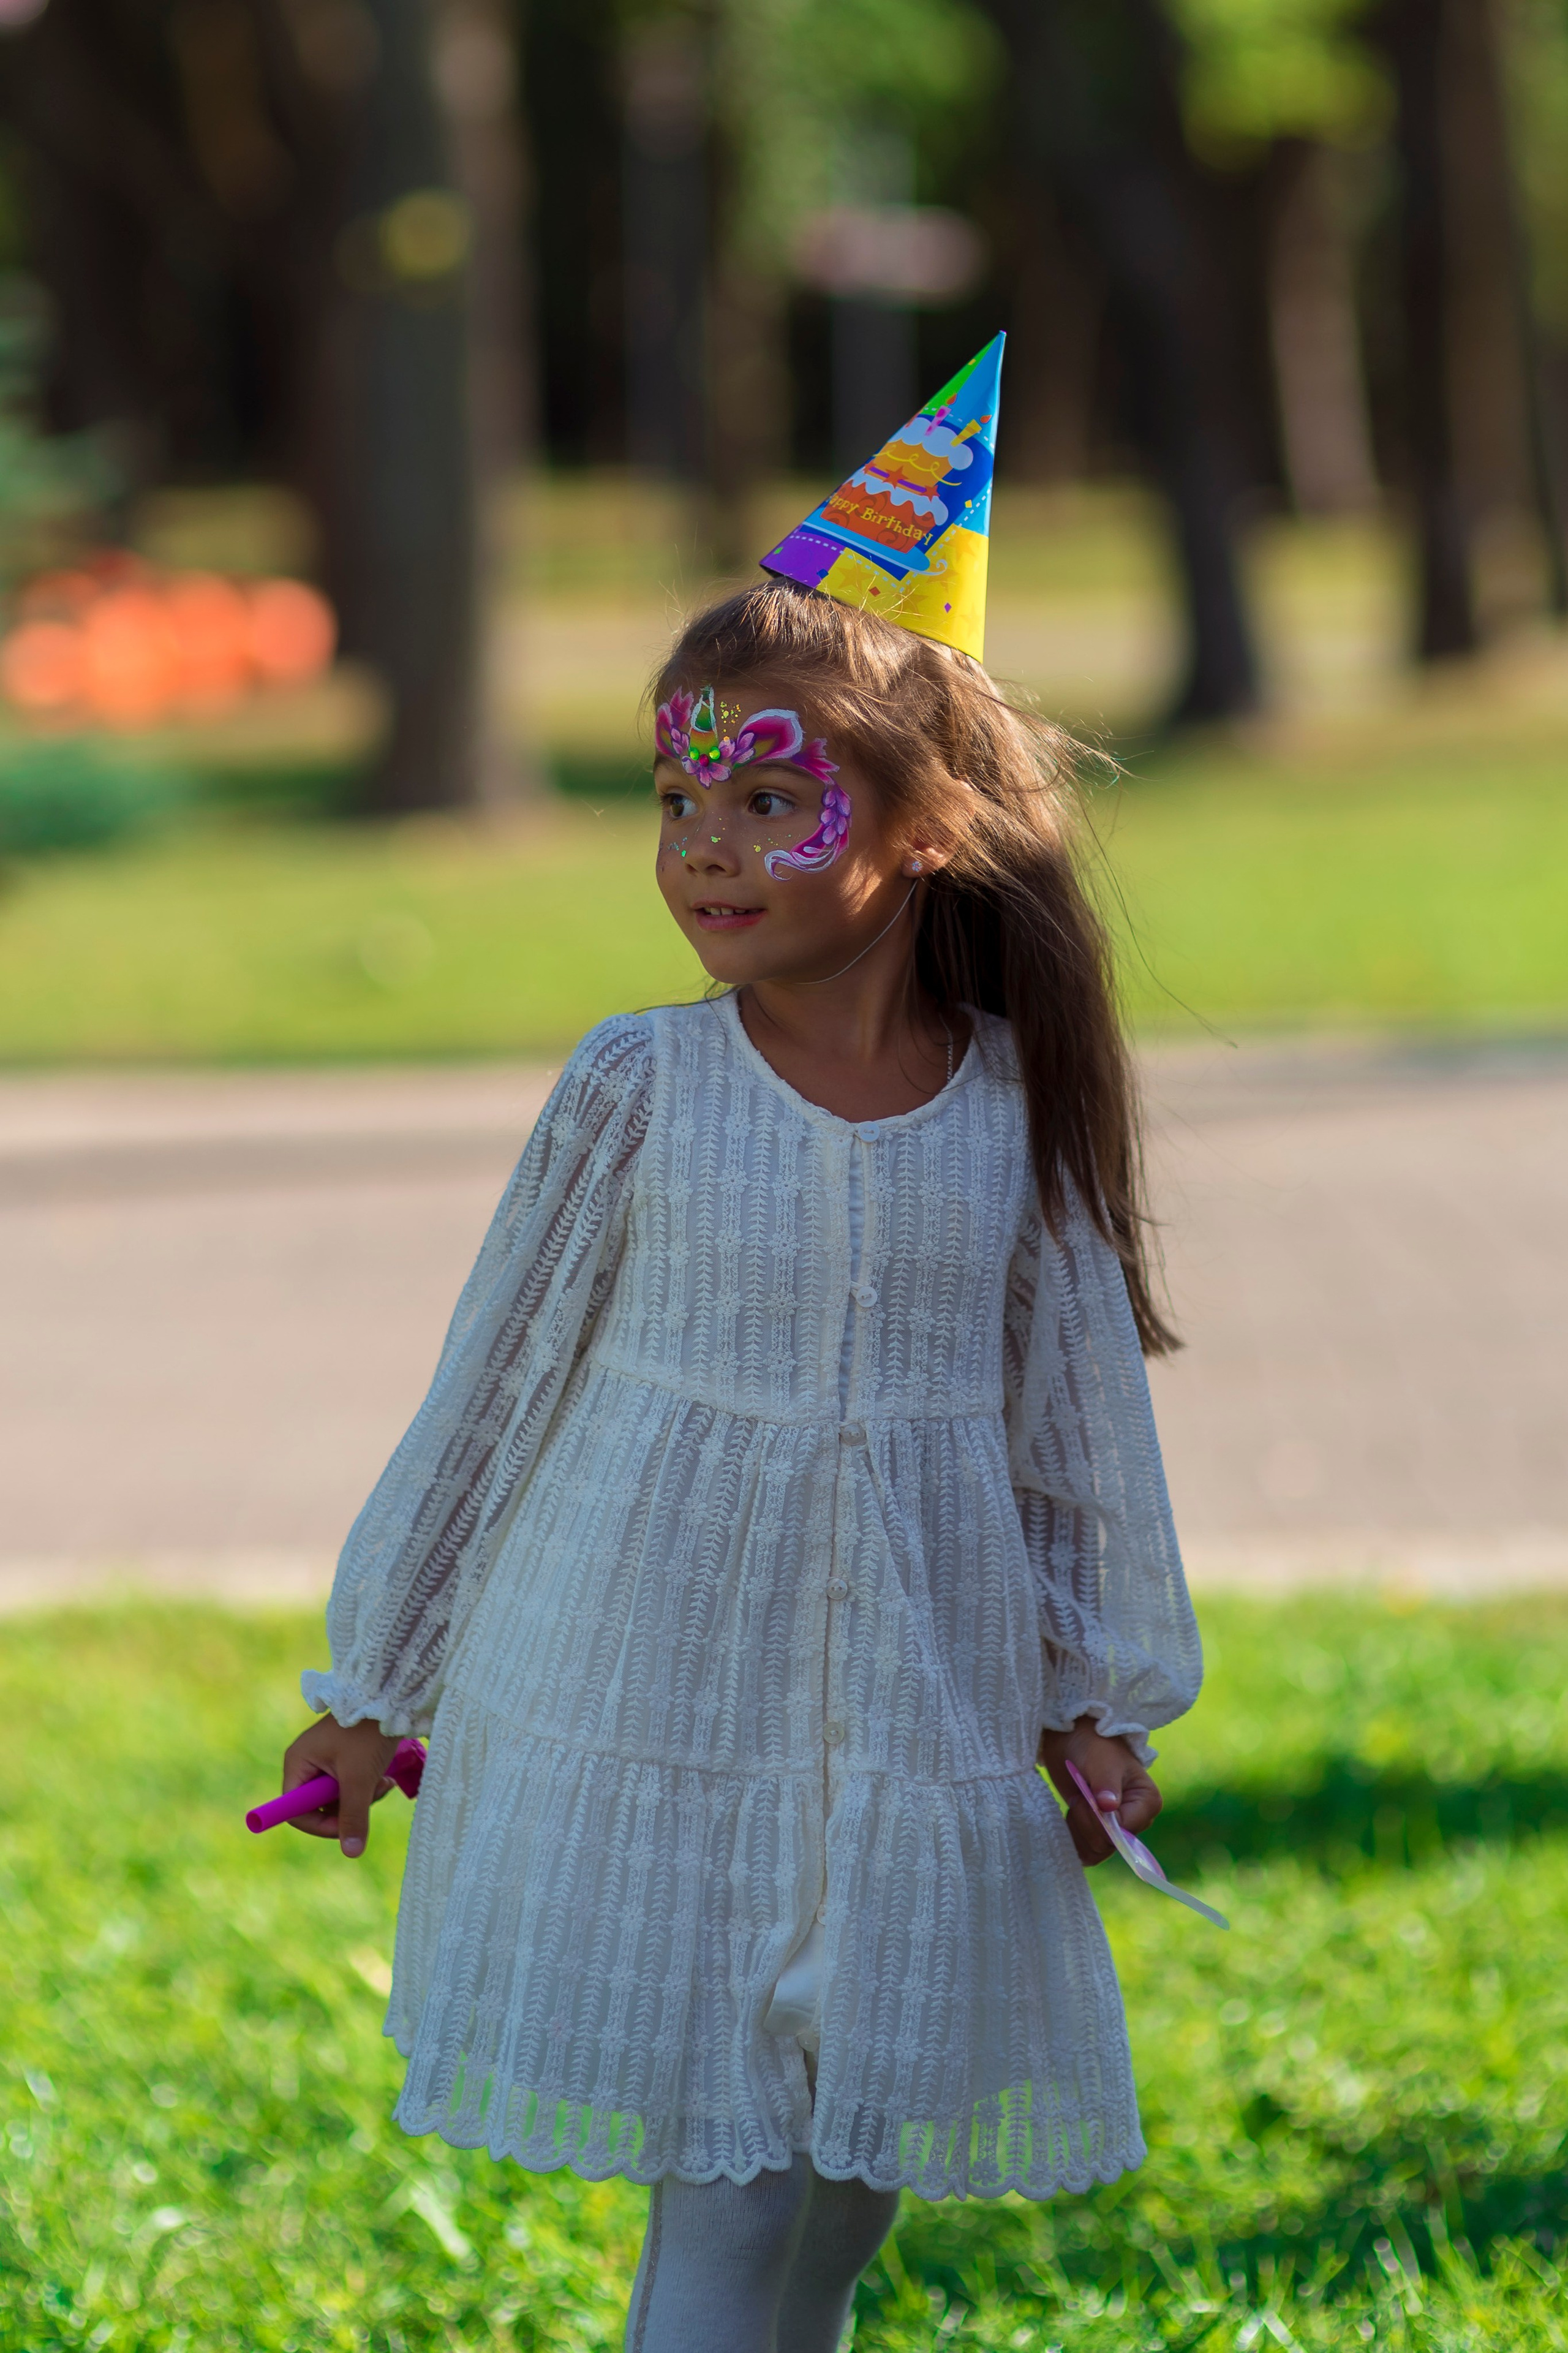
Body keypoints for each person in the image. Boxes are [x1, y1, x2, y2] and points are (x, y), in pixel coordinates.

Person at [279, 345, 1201, 2352]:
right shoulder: (641, 1090)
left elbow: (1070, 1422)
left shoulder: (1009, 1108)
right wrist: (374, 1684)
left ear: (931, 824)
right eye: (679, 793)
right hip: (663, 1692)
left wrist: (1097, 1680)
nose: (704, 844)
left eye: (771, 798)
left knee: (843, 2179)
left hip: (921, 1713)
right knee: (739, 2173)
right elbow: (497, 1393)